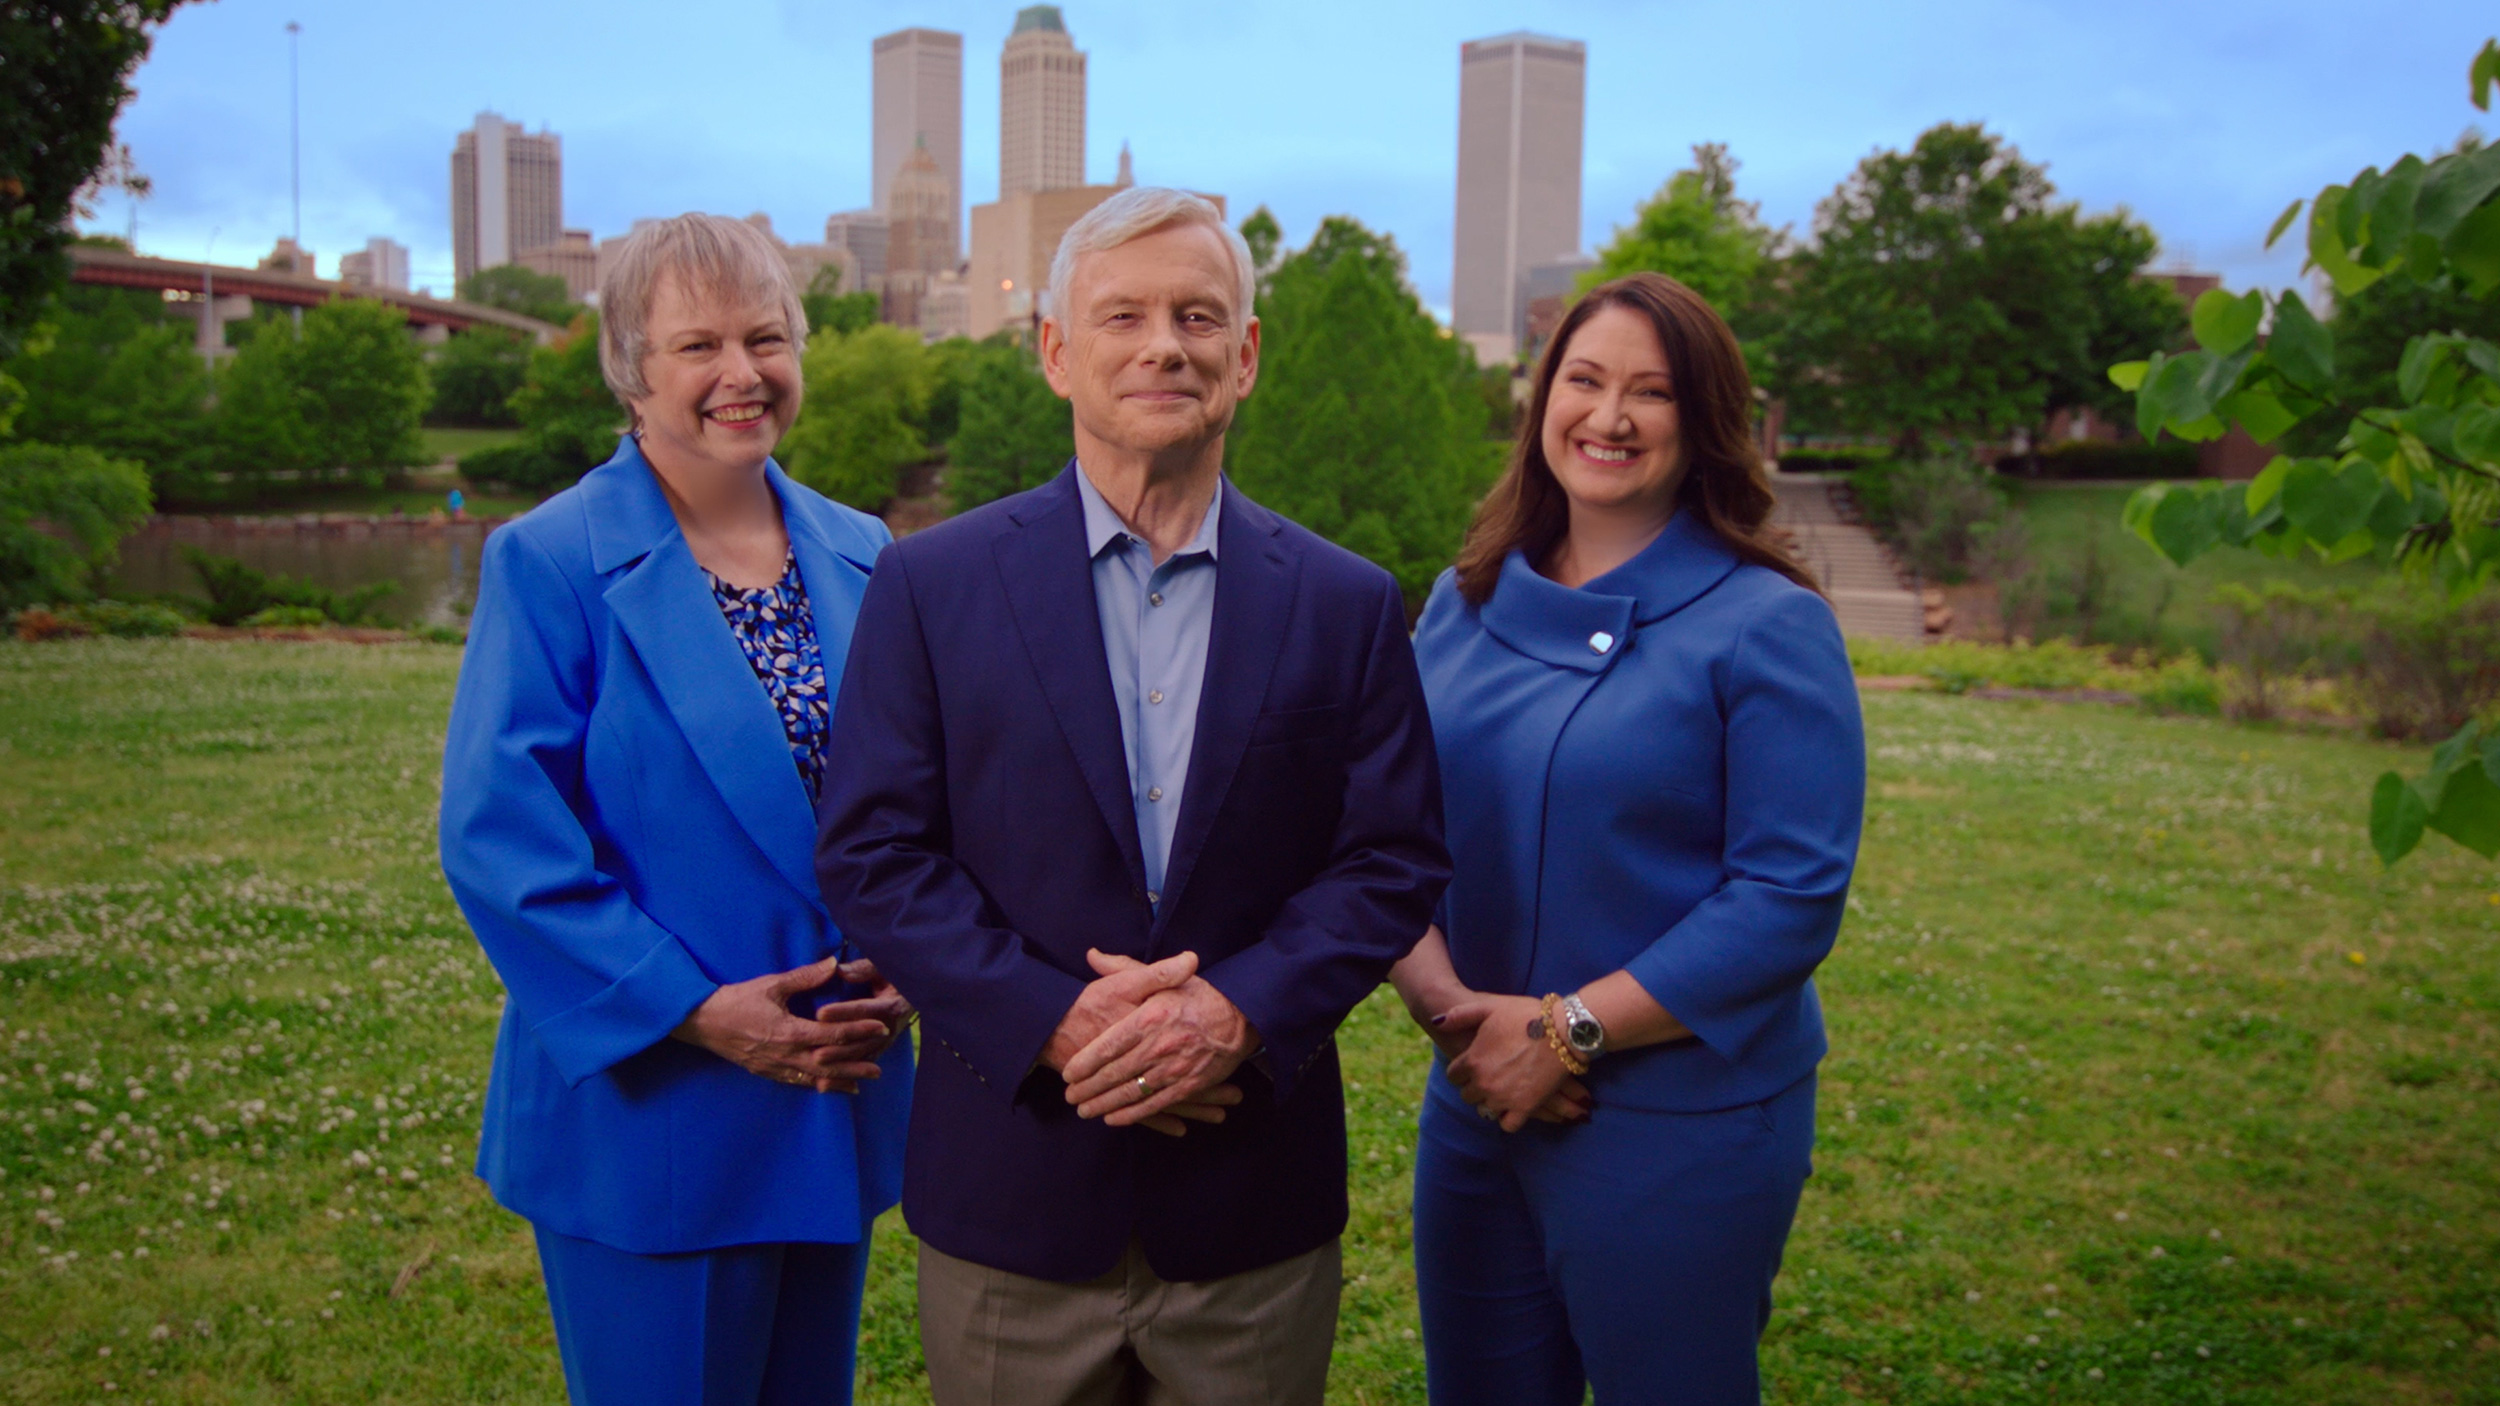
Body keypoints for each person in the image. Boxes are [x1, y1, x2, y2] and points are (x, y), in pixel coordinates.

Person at [814, 186, 1449, 1406]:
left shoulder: (1345, 600)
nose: (1165, 343)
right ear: (1056, 349)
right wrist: (1057, 1022)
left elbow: (1391, 859)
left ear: (1245, 355)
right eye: (1124, 316)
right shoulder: (929, 584)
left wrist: (1230, 1015)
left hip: (1248, 1204)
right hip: (1016, 1197)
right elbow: (874, 852)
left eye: (1199, 315)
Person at [439, 213, 912, 1406]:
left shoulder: (868, 554)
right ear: (630, 369)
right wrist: (697, 1011)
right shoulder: (548, 561)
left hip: (829, 1093)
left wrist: (924, 956)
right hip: (654, 1105)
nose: (741, 373)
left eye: (767, 336)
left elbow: (921, 800)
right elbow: (502, 838)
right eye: (697, 344)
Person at [1390, 272, 1865, 1405]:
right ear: (1542, 395)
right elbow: (1382, 829)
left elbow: (1788, 894)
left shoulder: (1767, 622)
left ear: (1702, 424)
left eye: (1649, 393)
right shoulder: (1463, 599)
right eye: (1585, 379)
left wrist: (1567, 1029)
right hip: (1477, 1093)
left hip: (1676, 1118)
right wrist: (1453, 1013)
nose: (1608, 417)